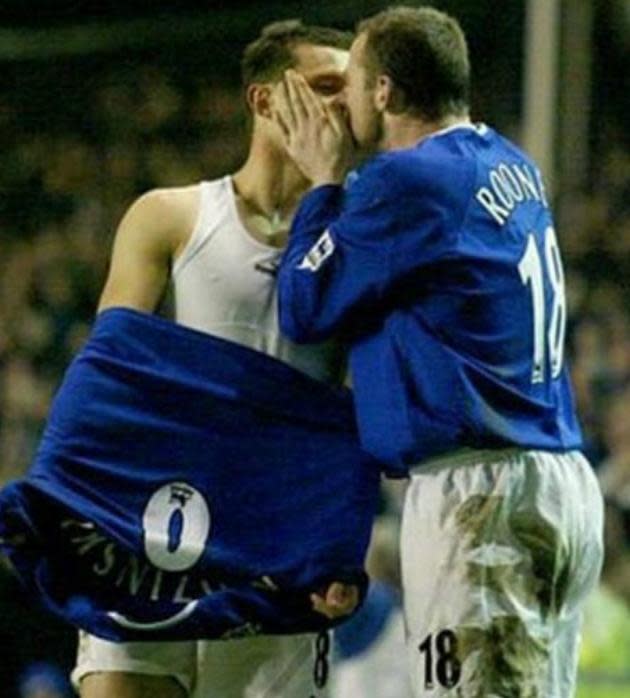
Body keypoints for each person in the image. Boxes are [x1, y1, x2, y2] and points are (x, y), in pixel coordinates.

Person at [274, 6, 605, 697]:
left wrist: (325, 183)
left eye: (352, 84)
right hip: (555, 479)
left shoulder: (406, 181)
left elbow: (304, 306)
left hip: (479, 495)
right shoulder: (509, 159)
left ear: (386, 92)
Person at [73, 19, 359, 698]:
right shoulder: (170, 216)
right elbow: (113, 374)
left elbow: (351, 407)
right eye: (324, 87)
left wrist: (338, 541)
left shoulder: (359, 242)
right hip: (152, 527)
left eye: (350, 92)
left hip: (275, 547)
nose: (342, 108)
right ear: (263, 102)